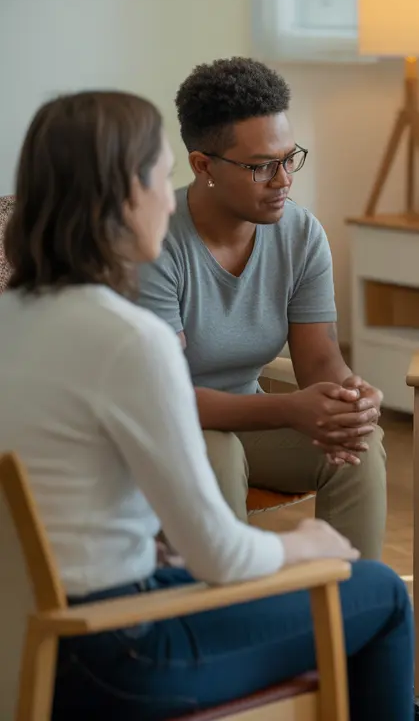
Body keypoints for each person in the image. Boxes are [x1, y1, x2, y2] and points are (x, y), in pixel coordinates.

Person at [0, 91, 419, 719]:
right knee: (380, 593)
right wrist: (308, 547)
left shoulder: (13, 320)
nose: (166, 194)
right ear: (124, 196)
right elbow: (221, 556)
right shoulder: (127, 338)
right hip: (118, 654)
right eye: (156, 175)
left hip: (26, 644)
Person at [136, 57, 387, 560]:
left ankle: (351, 617)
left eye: (289, 158)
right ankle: (232, 617)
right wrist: (289, 408)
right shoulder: (155, 244)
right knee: (220, 453)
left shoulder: (300, 234)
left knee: (360, 449)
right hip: (162, 430)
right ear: (203, 165)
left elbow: (318, 361)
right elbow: (164, 398)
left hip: (250, 419)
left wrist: (349, 399)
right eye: (260, 167)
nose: (283, 179)